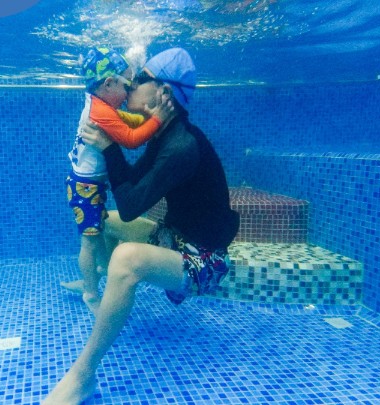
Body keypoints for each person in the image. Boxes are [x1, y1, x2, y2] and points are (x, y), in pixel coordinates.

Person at [44, 48, 240, 404]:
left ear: (164, 92)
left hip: (206, 262)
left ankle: (83, 376)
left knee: (127, 259)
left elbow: (132, 205)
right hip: (173, 239)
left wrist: (108, 148)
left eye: (140, 80)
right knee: (103, 222)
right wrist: (110, 148)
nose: (130, 85)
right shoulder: (164, 135)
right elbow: (131, 187)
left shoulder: (181, 146)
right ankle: (102, 285)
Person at [64, 47, 174, 313]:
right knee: (89, 241)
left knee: (98, 232)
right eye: (126, 85)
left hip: (87, 185)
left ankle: (93, 276)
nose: (129, 91)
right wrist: (158, 120)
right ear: (108, 83)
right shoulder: (101, 112)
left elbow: (124, 121)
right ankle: (90, 293)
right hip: (85, 187)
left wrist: (146, 118)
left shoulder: (99, 104)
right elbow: (131, 140)